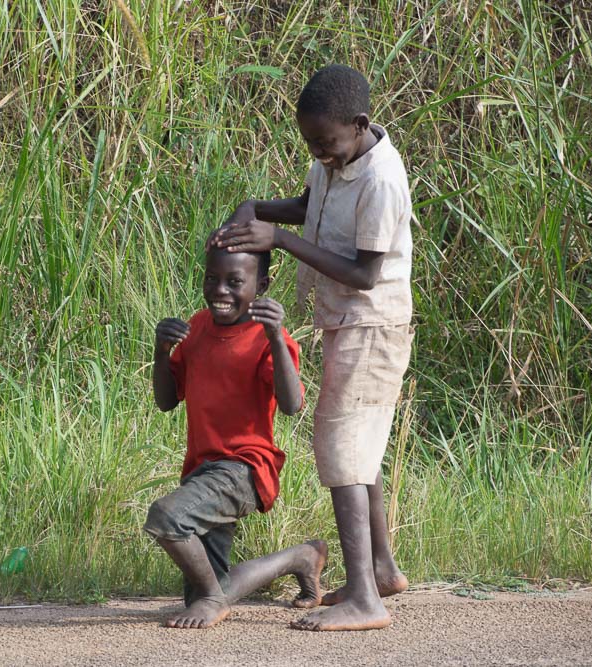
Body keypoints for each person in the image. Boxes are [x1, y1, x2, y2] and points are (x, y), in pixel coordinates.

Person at [212, 64, 414, 631]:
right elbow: (310, 208)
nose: (319, 153)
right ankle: (379, 571)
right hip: (346, 322)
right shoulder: (338, 156)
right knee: (361, 445)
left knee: (342, 446)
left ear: (360, 124)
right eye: (310, 143)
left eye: (326, 143)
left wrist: (279, 240)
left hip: (372, 321)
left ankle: (366, 604)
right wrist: (255, 210)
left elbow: (364, 273)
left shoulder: (381, 180)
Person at [145, 243, 328, 630]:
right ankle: (300, 558)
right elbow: (165, 401)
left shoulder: (265, 338)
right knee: (209, 589)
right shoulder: (196, 328)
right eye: (212, 279)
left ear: (260, 285)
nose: (220, 290)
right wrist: (162, 352)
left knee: (167, 517)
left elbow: (293, 404)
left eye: (234, 281)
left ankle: (213, 600)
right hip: (202, 471)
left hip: (245, 468)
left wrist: (277, 337)